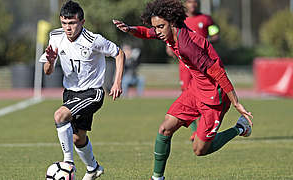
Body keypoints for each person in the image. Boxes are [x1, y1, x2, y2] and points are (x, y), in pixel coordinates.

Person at [113, 0, 253, 179]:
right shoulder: (167, 32)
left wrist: (237, 104)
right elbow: (147, 32)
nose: (157, 31)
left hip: (214, 97)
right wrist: (130, 29)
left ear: (172, 22)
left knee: (200, 149)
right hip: (195, 89)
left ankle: (240, 128)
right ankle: (157, 177)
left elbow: (218, 73)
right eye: (156, 27)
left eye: (160, 27)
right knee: (165, 128)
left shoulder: (187, 45)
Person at [39, 1, 125, 180]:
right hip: (70, 92)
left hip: (92, 93)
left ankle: (68, 163)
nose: (67, 28)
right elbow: (48, 71)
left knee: (59, 116)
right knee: (78, 139)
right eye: (64, 23)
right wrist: (51, 60)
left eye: (72, 23)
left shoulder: (94, 40)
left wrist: (117, 82)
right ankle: (93, 169)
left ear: (82, 22)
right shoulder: (55, 37)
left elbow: (119, 53)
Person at [182, 0, 221, 140]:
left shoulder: (206, 19)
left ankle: (201, 128)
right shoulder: (181, 19)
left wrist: (207, 42)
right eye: (189, 2)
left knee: (203, 95)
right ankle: (194, 130)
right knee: (187, 95)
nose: (192, 5)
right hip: (185, 64)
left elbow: (215, 34)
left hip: (203, 63)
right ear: (185, 3)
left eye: (194, 2)